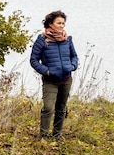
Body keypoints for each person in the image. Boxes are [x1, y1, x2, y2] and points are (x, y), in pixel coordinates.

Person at [30, 10, 78, 140]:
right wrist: (47, 71)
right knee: (48, 108)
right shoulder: (42, 40)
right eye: (59, 23)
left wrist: (72, 66)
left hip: (66, 79)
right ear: (50, 24)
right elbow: (33, 60)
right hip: (50, 80)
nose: (62, 25)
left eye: (63, 23)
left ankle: (57, 136)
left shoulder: (67, 39)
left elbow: (74, 56)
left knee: (61, 108)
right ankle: (43, 137)